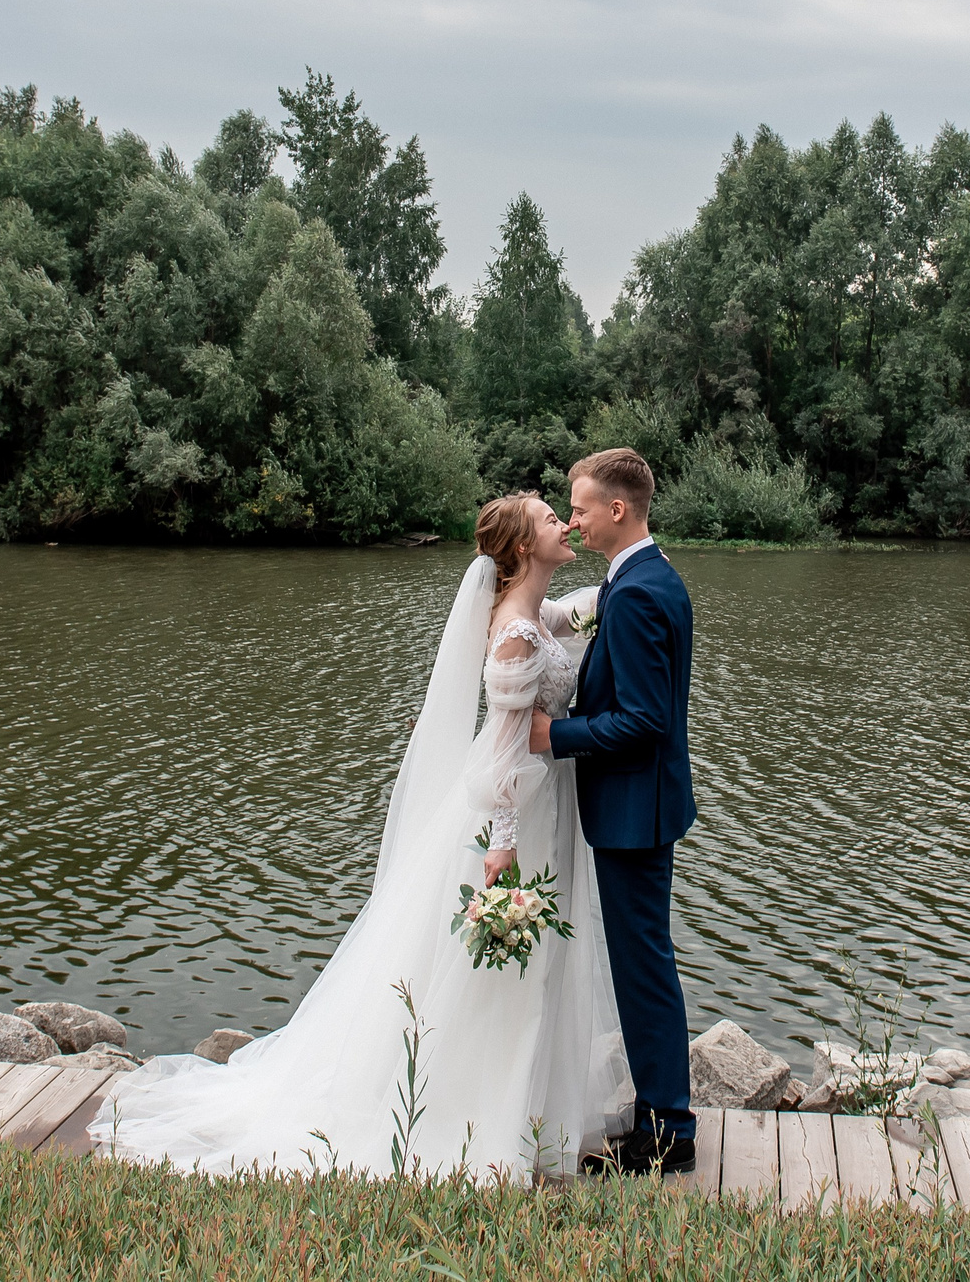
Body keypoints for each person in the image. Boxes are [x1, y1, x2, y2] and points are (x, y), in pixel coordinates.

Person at [90, 491, 628, 1180]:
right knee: (497, 975)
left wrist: (623, 575)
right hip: (513, 817)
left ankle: (527, 1114)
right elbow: (499, 756)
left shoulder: (536, 615)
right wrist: (503, 843)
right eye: (553, 518)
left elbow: (576, 609)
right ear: (523, 547)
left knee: (530, 970)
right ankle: (472, 1121)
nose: (565, 523)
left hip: (544, 804)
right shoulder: (517, 633)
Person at [531, 446, 699, 1175]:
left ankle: (667, 1134)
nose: (573, 519)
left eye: (580, 507)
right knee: (646, 963)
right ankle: (661, 1115)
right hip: (646, 803)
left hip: (634, 808)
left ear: (617, 509)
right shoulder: (643, 579)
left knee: (642, 969)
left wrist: (552, 734)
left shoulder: (633, 594)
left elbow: (642, 719)